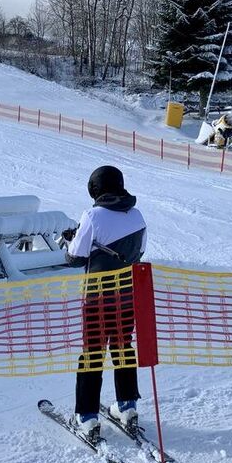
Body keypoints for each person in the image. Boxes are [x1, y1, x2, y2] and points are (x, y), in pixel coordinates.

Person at [63, 166, 147, 442]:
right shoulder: (137, 215)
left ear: (96, 189)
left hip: (98, 298)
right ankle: (127, 406)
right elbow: (140, 251)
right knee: (123, 346)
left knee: (93, 353)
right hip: (127, 295)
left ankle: (86, 417)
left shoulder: (92, 215)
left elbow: (75, 256)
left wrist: (70, 239)